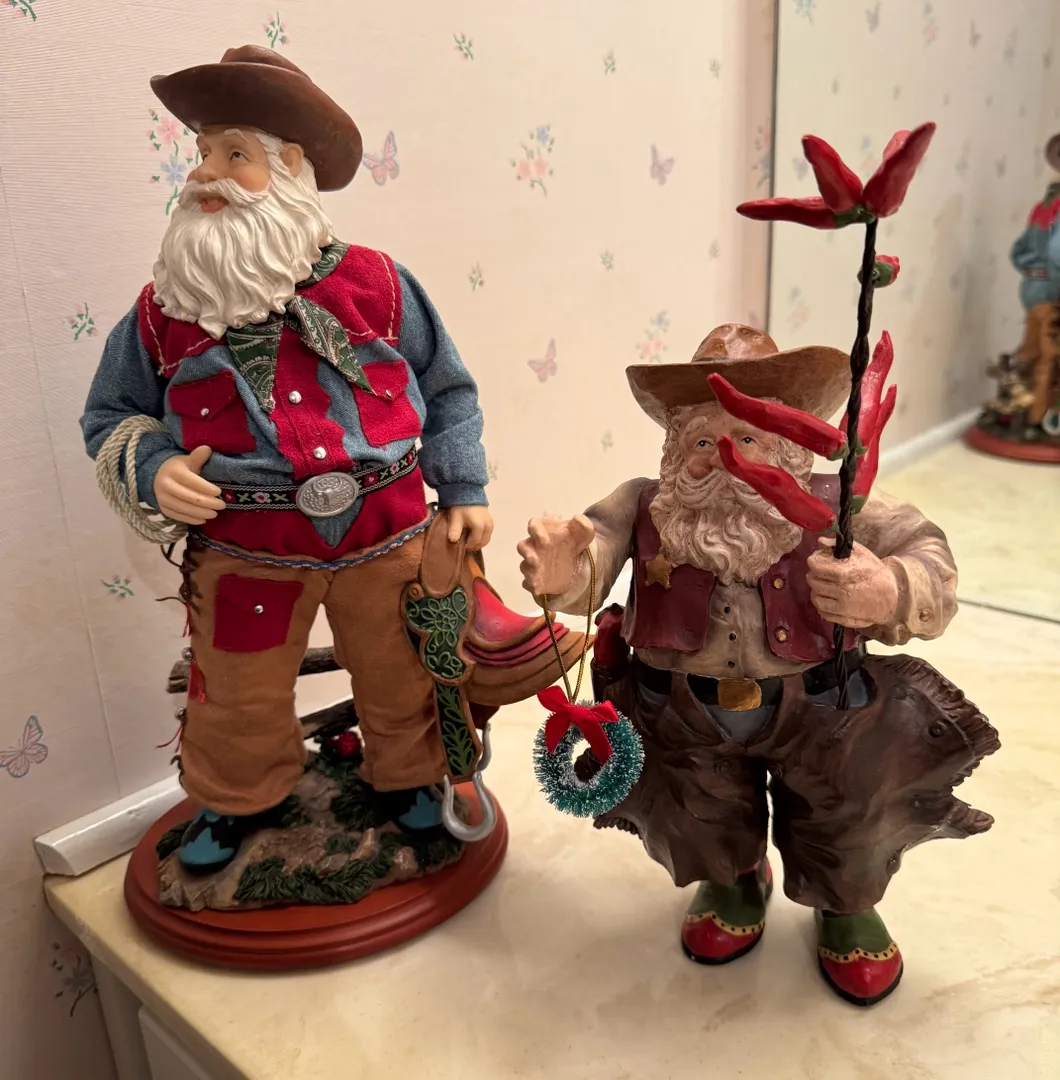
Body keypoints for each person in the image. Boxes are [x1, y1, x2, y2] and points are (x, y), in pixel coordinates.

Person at [82, 46, 499, 872]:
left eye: (234, 153)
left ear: (292, 168)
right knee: (237, 690)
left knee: (404, 670)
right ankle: (239, 797)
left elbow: (447, 387)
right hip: (249, 551)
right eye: (204, 151)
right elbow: (110, 414)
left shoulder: (379, 285)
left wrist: (464, 484)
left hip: (387, 538)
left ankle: (411, 777)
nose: (206, 174)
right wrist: (154, 467)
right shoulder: (163, 313)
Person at [517, 324, 998, 1006]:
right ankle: (735, 880)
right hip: (683, 711)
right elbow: (587, 562)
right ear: (674, 448)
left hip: (826, 711)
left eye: (747, 440)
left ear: (787, 445)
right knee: (700, 809)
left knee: (845, 811)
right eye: (703, 443)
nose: (726, 461)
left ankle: (845, 903)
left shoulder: (844, 505)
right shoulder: (642, 504)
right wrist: (563, 569)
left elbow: (927, 556)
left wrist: (891, 587)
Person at [1009, 132, 1060, 426]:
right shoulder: (1052, 204)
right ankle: (1034, 417)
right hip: (1049, 290)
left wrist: (1031, 269)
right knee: (1046, 355)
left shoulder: (1046, 203)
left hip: (1034, 286)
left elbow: (1020, 250)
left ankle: (1026, 411)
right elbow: (1054, 251)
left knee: (1034, 350)